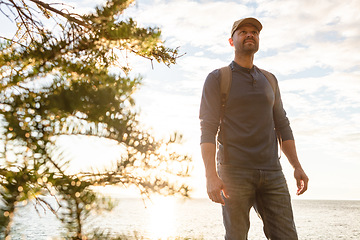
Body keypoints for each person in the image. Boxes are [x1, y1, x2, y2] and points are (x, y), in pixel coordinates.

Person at [199, 17, 309, 240]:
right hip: (234, 173)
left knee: (288, 236)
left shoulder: (269, 80)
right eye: (243, 32)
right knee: (237, 237)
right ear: (232, 41)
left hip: (272, 172)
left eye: (254, 32)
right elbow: (208, 129)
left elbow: (283, 126)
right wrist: (211, 175)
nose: (250, 35)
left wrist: (296, 166)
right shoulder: (218, 78)